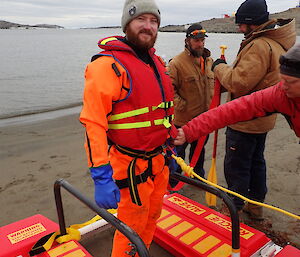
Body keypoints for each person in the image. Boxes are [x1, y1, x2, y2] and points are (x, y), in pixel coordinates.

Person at [79, 0, 177, 256]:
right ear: (127, 24)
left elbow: (162, 112)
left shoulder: (157, 63)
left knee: (152, 217)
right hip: (129, 166)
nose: (148, 26)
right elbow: (93, 123)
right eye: (141, 20)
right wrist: (100, 175)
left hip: (159, 161)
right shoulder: (107, 66)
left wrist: (170, 148)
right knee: (130, 228)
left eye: (154, 21)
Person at [175, 43, 300, 219]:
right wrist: (189, 131)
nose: (283, 85)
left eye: (291, 82)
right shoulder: (281, 93)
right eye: (282, 79)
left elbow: (238, 81)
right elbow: (232, 109)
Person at [208, 0, 296, 219]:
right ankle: (255, 207)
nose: (239, 28)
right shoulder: (274, 43)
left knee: (236, 167)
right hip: (263, 120)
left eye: (241, 24)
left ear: (251, 23)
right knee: (256, 163)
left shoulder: (258, 46)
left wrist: (219, 67)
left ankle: (232, 209)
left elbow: (238, 82)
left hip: (245, 121)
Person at [167, 23, 214, 186]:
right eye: (196, 40)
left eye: (202, 40)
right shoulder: (176, 63)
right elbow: (168, 89)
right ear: (187, 41)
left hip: (204, 120)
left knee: (199, 151)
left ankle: (197, 178)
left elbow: (214, 85)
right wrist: (182, 105)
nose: (200, 43)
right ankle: (173, 181)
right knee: (177, 153)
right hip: (182, 122)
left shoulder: (209, 61)